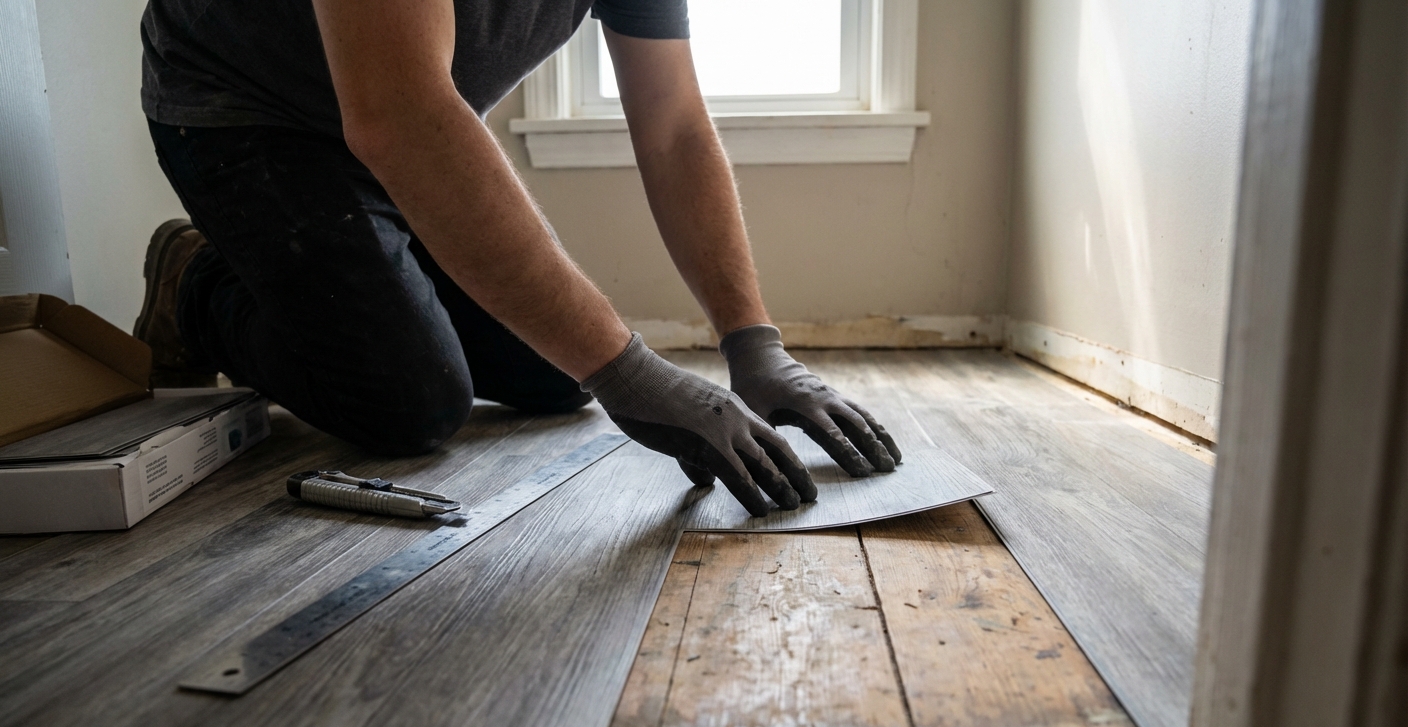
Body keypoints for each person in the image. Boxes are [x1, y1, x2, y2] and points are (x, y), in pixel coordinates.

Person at [133, 0, 901, 517]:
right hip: (250, 118)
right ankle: (192, 280)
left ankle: (374, 257)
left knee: (555, 376)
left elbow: (671, 126)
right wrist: (629, 372)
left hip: (409, 126)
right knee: (411, 402)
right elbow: (396, 113)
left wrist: (753, 343)